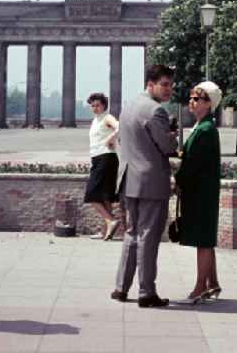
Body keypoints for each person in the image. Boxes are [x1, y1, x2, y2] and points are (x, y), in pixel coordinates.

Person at [112, 64, 177, 308]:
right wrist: (173, 137)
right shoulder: (155, 111)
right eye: (165, 84)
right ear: (151, 84)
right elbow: (167, 147)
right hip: (150, 181)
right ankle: (146, 291)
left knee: (132, 233)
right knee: (149, 236)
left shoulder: (128, 106)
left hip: (129, 179)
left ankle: (121, 287)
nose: (169, 89)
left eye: (170, 84)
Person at [174, 81, 222, 304]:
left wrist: (177, 180)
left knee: (203, 241)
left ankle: (199, 288)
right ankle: (212, 283)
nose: (191, 102)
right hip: (203, 192)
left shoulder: (205, 130)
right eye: (191, 97)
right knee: (206, 240)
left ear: (209, 104)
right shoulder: (203, 127)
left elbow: (193, 164)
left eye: (197, 99)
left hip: (201, 193)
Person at [84, 92, 122, 241]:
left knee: (91, 194)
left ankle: (111, 220)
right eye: (92, 106)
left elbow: (120, 127)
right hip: (99, 159)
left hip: (106, 158)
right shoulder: (95, 120)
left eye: (97, 105)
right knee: (105, 196)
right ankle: (105, 230)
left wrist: (111, 138)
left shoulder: (107, 117)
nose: (95, 108)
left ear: (104, 105)